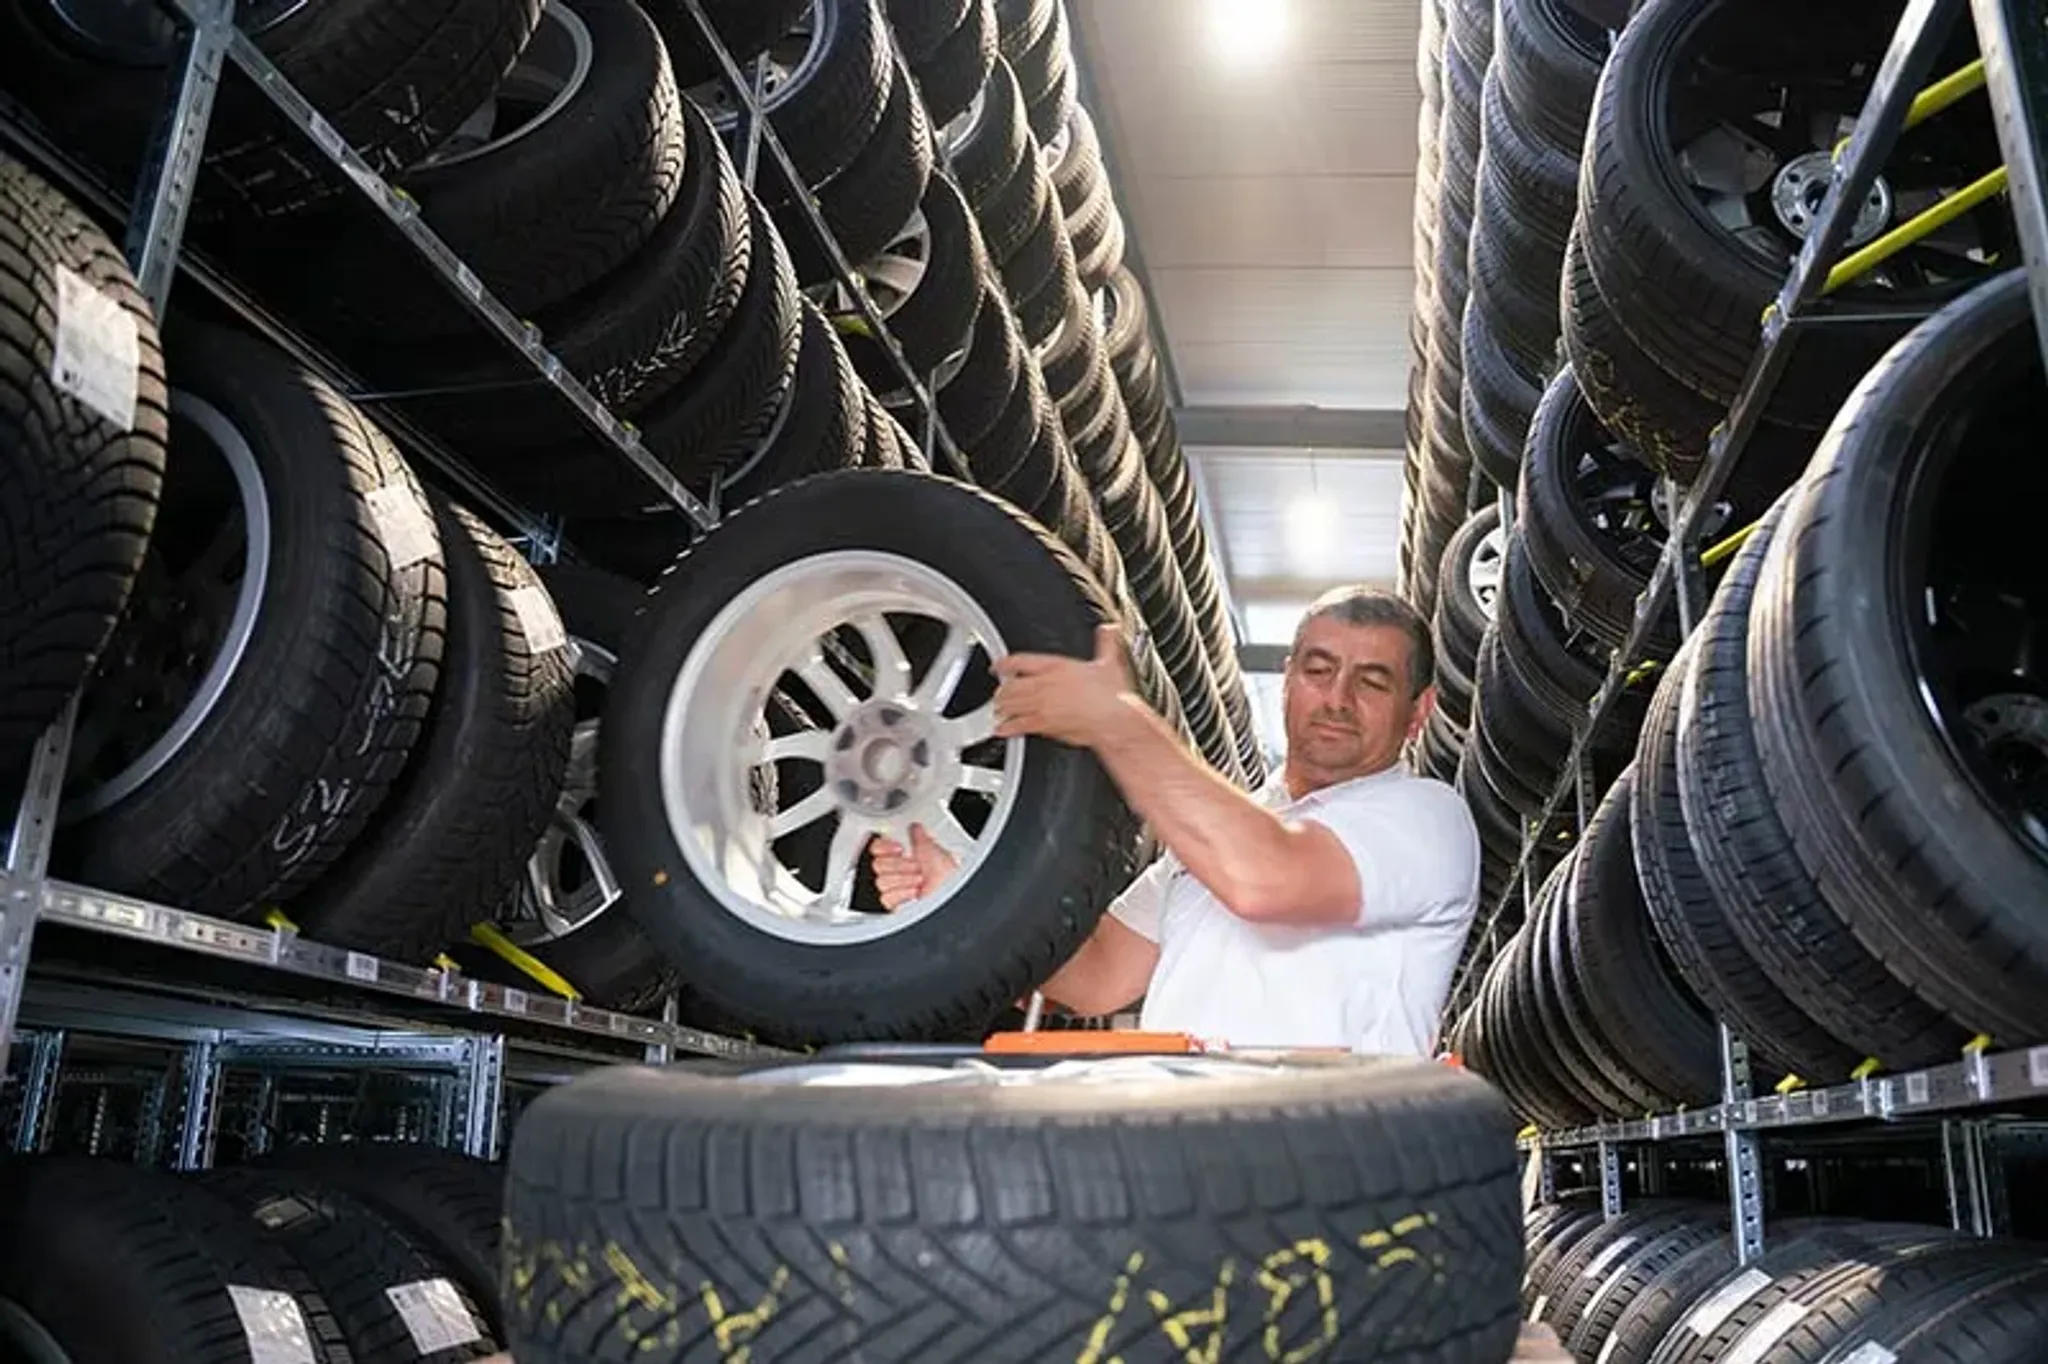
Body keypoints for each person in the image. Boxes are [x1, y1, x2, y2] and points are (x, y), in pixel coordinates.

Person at [869, 586, 1482, 1054]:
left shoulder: (1426, 819)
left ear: (1418, 711)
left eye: (1372, 681)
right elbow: (1098, 974)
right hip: (1185, 1165)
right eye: (1319, 671)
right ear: (1289, 679)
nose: (1338, 698)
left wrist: (1117, 722)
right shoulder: (1216, 840)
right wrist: (957, 890)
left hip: (1331, 1175)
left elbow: (1266, 881)